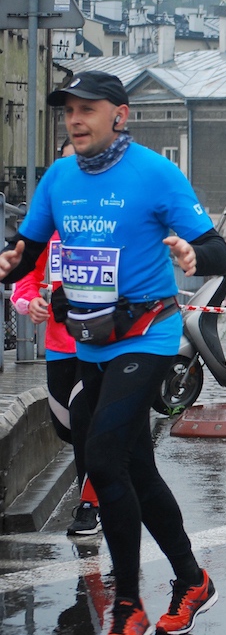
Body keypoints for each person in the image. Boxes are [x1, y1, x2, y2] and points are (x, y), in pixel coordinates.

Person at [0, 71, 226, 635]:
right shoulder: (59, 177)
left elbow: (216, 248)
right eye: (68, 111)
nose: (74, 120)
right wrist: (11, 263)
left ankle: (127, 604)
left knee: (102, 459)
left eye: (86, 109)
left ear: (119, 115)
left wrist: (192, 255)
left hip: (147, 335)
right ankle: (193, 580)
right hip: (89, 341)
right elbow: (28, 248)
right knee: (135, 469)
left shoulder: (155, 173)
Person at [10, 138, 101, 537]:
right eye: (65, 165)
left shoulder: (108, 218)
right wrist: (30, 302)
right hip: (59, 343)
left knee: (85, 423)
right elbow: (24, 278)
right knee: (65, 427)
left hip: (101, 342)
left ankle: (90, 505)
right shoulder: (48, 222)